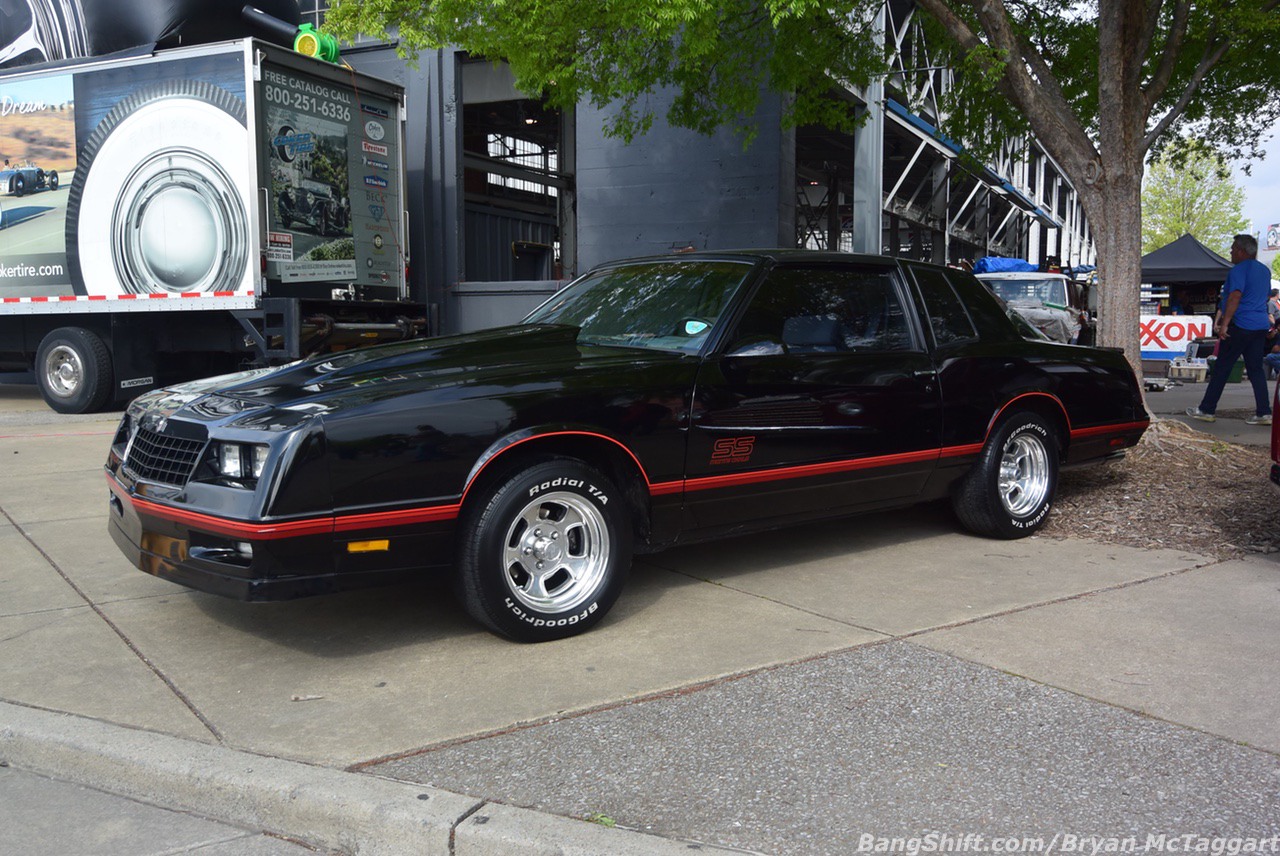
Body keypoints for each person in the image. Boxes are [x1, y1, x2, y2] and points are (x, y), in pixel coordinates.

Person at [1186, 234, 1273, 425]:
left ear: (1242, 251)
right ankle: (1264, 412)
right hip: (1259, 325)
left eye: (1233, 249)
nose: (1231, 252)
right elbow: (1265, 297)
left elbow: (1235, 296)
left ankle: (1207, 409)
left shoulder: (1238, 270)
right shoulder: (1264, 271)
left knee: (1222, 367)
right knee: (1256, 369)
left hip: (1240, 325)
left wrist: (1225, 323)